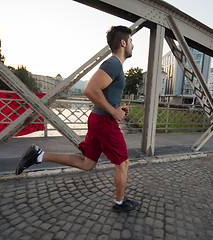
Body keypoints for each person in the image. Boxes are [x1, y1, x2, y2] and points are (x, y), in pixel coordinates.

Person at [15, 26, 140, 212]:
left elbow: (103, 93)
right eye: (131, 41)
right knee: (123, 163)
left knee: (87, 163)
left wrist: (117, 108)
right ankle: (120, 203)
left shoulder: (115, 66)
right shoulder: (113, 63)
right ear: (123, 43)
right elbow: (90, 90)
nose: (133, 45)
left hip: (99, 119)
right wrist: (113, 113)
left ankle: (39, 155)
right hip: (105, 121)